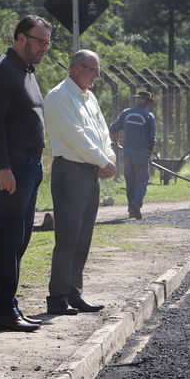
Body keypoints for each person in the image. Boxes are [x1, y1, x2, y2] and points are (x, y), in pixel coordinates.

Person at [0, 15, 52, 333]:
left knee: (21, 238)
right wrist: (4, 168)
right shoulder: (1, 70)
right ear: (21, 38)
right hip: (14, 167)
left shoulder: (27, 72)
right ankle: (3, 311)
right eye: (40, 41)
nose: (44, 48)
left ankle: (11, 305)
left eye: (48, 43)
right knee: (8, 238)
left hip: (31, 166)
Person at [42, 50, 116, 316]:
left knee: (83, 236)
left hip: (89, 171)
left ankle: (74, 293)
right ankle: (58, 297)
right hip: (70, 170)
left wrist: (108, 157)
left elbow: (101, 131)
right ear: (75, 68)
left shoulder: (89, 96)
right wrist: (102, 161)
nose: (97, 75)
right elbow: (77, 137)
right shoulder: (59, 96)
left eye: (98, 70)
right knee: (68, 237)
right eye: (93, 70)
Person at [109, 91, 157, 220]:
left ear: (137, 101)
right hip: (141, 154)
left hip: (127, 153)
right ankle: (136, 203)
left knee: (130, 182)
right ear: (147, 102)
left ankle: (131, 209)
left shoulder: (126, 113)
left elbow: (112, 130)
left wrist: (116, 143)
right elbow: (152, 140)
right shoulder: (149, 116)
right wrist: (149, 155)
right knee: (142, 181)